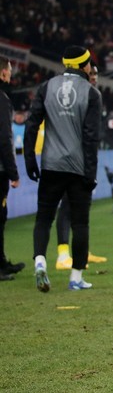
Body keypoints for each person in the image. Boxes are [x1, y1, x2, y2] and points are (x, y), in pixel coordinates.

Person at [24, 46, 102, 292]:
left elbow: (32, 124)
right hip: (78, 169)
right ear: (85, 65)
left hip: (50, 166)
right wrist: (91, 173)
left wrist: (29, 160)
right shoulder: (91, 93)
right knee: (80, 224)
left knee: (44, 219)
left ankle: (39, 262)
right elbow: (91, 138)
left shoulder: (46, 87)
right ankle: (76, 278)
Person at [55, 66, 108, 270]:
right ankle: (62, 255)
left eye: (95, 74)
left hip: (84, 159)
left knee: (81, 206)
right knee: (67, 205)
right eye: (91, 74)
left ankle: (81, 251)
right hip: (69, 159)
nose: (93, 78)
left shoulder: (92, 97)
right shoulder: (71, 98)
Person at [0, 57, 24, 280]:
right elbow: (5, 139)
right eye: (8, 71)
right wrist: (13, 173)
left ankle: (2, 262)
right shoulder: (3, 100)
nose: (11, 75)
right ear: (2, 74)